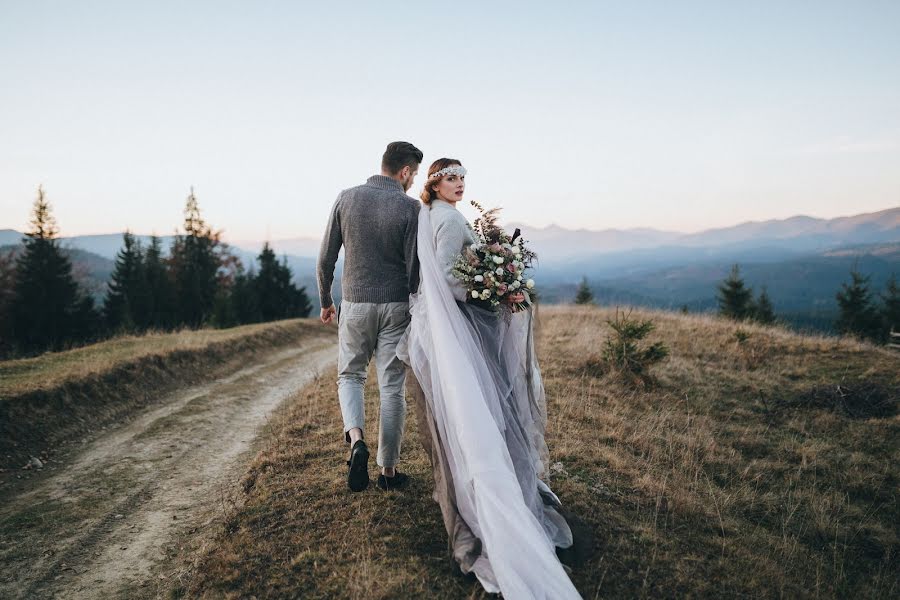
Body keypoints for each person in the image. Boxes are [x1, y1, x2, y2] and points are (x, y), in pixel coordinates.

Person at [398, 158, 582, 598]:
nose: (460, 184)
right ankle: (493, 512)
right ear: (434, 183)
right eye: (451, 178)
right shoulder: (444, 219)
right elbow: (446, 279)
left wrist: (487, 276)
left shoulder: (437, 214)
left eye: (463, 178)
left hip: (453, 326)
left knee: (477, 415)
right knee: (480, 415)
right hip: (460, 328)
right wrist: (490, 286)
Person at [317, 141, 423, 492]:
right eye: (414, 174)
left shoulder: (346, 198)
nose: (413, 181)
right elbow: (415, 270)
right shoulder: (410, 209)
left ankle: (357, 439)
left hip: (355, 304)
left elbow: (325, 259)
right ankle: (388, 473)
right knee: (392, 388)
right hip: (396, 307)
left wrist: (325, 301)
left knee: (350, 376)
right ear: (405, 172)